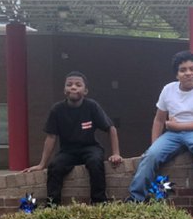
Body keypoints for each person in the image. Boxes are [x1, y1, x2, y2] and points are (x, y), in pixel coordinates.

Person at [127, 51, 193, 215]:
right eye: (183, 70)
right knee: (151, 155)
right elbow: (159, 120)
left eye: (192, 69)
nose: (188, 73)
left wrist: (178, 126)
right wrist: (155, 144)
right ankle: (136, 198)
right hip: (173, 136)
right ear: (177, 74)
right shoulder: (168, 90)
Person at [27, 71, 123, 206]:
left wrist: (116, 153)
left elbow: (111, 128)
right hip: (67, 151)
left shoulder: (92, 106)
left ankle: (99, 202)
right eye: (69, 84)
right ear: (64, 90)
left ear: (85, 91)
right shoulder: (57, 110)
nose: (73, 87)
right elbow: (51, 137)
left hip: (90, 147)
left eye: (78, 85)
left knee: (96, 162)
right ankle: (52, 206)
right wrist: (42, 164)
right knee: (55, 167)